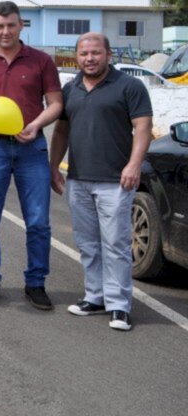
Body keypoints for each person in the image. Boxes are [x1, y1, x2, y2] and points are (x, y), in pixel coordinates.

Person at [0, 0, 63, 310]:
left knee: (38, 222)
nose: (5, 31)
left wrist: (35, 126)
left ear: (21, 26)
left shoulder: (42, 61)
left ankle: (36, 283)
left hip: (31, 147)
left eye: (11, 25)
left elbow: (56, 104)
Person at [49, 33, 152, 332]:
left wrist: (134, 165)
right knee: (88, 243)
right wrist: (54, 166)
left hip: (115, 180)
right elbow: (61, 133)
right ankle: (95, 297)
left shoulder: (129, 87)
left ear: (108, 54)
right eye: (84, 54)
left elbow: (143, 128)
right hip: (79, 180)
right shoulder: (71, 89)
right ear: (76, 57)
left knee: (116, 244)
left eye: (96, 53)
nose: (90, 58)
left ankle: (119, 305)